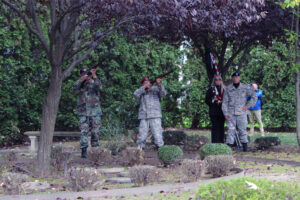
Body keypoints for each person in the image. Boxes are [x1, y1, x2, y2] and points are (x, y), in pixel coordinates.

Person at [222, 72, 257, 152]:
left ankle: (245, 147)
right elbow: (225, 102)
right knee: (230, 130)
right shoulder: (228, 88)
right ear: (232, 78)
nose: (235, 78)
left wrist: (248, 106)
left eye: (237, 77)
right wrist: (225, 113)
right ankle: (229, 148)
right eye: (234, 77)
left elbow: (254, 96)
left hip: (242, 113)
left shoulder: (245, 87)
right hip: (231, 114)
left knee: (243, 130)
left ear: (240, 78)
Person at [73, 67, 102, 158]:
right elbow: (74, 88)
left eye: (87, 74)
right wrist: (81, 80)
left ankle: (95, 150)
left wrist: (94, 76)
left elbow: (99, 87)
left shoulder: (94, 83)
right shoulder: (80, 84)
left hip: (95, 112)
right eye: (84, 74)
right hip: (83, 112)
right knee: (84, 132)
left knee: (95, 132)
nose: (86, 76)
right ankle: (84, 151)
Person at [134, 77, 166, 150]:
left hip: (155, 115)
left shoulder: (155, 89)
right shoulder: (141, 90)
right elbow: (135, 94)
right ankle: (140, 149)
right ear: (142, 84)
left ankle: (160, 148)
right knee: (142, 134)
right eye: (145, 83)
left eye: (148, 82)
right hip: (144, 116)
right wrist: (144, 87)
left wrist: (159, 84)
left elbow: (163, 94)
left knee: (157, 133)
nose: (147, 83)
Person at [205, 74, 226, 143]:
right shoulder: (211, 89)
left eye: (220, 79)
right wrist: (214, 102)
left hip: (222, 112)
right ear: (214, 81)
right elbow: (207, 100)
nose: (218, 81)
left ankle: (221, 142)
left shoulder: (224, 89)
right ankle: (214, 143)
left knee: (221, 127)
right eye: (217, 79)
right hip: (214, 112)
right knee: (215, 127)